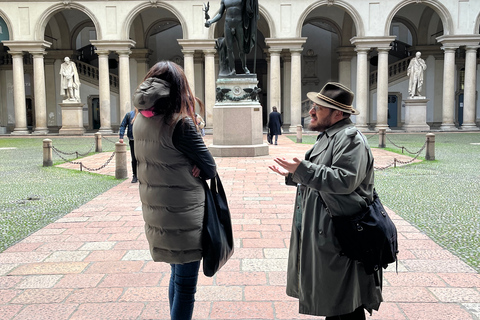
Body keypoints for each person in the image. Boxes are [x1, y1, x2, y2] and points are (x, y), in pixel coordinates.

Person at [268, 82, 383, 319]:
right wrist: (294, 174)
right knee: (336, 301)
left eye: (318, 108)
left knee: (345, 304)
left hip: (342, 236)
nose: (311, 111)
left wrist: (303, 169)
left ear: (337, 113)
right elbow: (320, 174)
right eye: (313, 106)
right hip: (327, 233)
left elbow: (344, 180)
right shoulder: (329, 136)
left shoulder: (350, 138)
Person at [132, 60, 217, 320]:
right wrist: (196, 163)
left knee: (176, 275)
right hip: (183, 214)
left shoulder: (140, 120)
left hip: (157, 212)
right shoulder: (180, 123)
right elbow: (210, 168)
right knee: (185, 286)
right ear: (179, 88)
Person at [205, 0, 258, 76]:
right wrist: (211, 21)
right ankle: (232, 69)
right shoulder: (224, 0)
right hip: (228, 24)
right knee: (229, 49)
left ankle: (244, 67)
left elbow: (249, 6)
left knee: (241, 49)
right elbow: (220, 14)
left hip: (239, 24)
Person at [119, 109, 138, 183]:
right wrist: (121, 136)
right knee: (134, 158)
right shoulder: (129, 115)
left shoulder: (144, 114)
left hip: (143, 140)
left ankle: (142, 175)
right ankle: (135, 175)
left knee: (143, 159)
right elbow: (123, 125)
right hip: (132, 139)